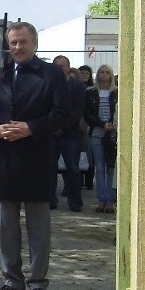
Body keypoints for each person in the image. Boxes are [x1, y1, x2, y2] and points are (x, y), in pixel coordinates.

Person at [0, 21, 69, 290]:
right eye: (13, 43)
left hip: (38, 157)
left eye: (23, 42)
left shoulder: (52, 74)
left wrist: (31, 127)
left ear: (34, 44)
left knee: (38, 226)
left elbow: (62, 114)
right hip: (6, 160)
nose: (18, 47)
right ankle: (12, 280)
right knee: (6, 225)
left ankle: (38, 282)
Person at [50, 55, 86, 212]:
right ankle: (50, 201)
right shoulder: (47, 85)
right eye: (56, 65)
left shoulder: (77, 86)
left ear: (68, 67)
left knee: (73, 169)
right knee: (49, 169)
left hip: (70, 134)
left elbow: (78, 111)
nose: (59, 68)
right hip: (50, 134)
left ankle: (75, 202)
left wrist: (63, 127)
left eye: (62, 65)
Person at [84, 64, 118, 213]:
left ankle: (110, 201)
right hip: (96, 133)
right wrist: (101, 124)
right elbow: (87, 114)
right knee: (99, 168)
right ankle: (100, 200)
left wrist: (111, 124)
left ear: (111, 75)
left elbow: (119, 111)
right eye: (101, 72)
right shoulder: (90, 92)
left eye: (107, 73)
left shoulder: (117, 92)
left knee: (111, 167)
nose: (104, 75)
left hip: (112, 134)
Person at [78, 64, 95, 189]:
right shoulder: (75, 87)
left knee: (90, 155)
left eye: (87, 74)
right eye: (82, 73)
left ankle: (89, 182)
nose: (84, 75)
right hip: (77, 124)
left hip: (90, 125)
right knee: (78, 155)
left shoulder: (93, 90)